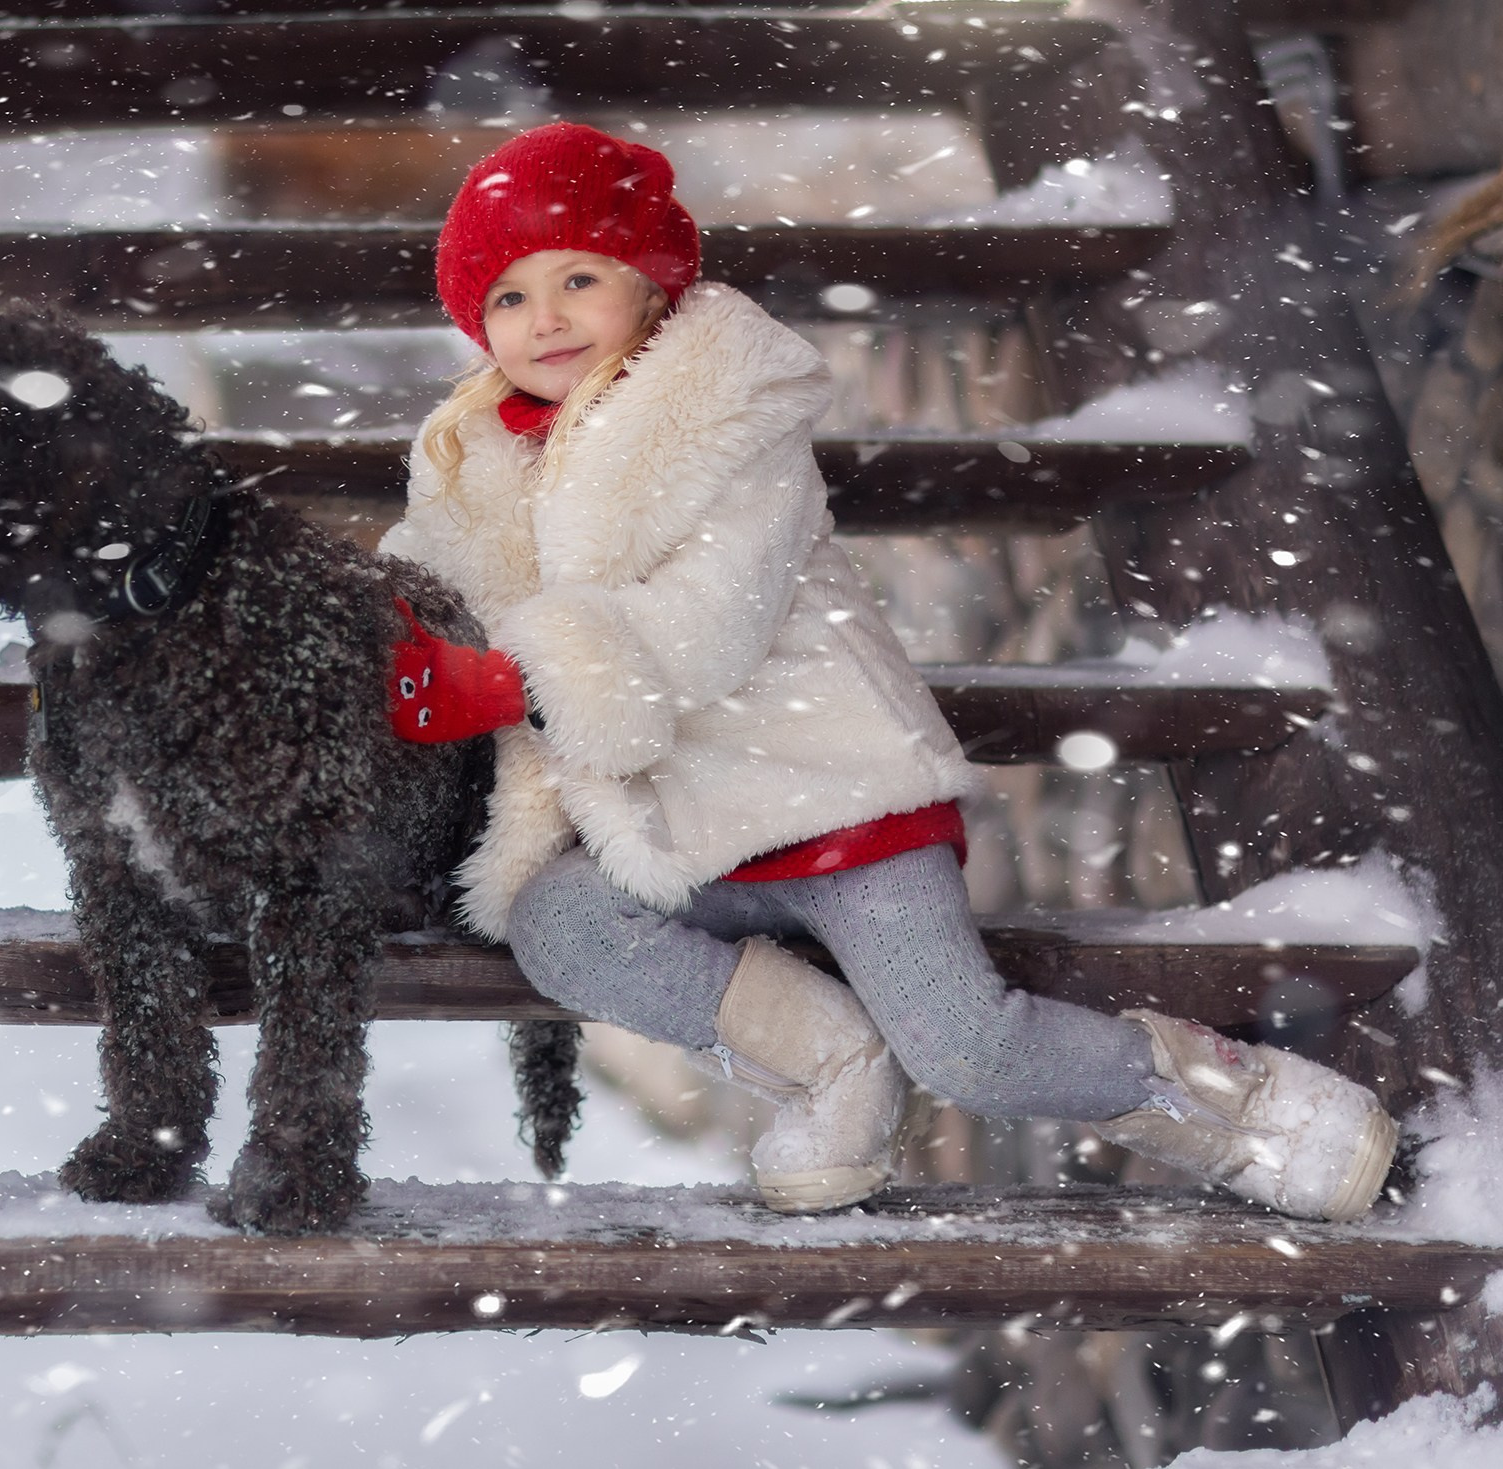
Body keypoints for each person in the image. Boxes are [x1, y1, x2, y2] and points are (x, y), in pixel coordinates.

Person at [377, 122, 1396, 1222]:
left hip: (836, 797)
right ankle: (827, 1057)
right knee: (558, 923)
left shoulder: (728, 422)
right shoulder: (477, 465)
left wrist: (508, 678)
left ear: (653, 287)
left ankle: (1230, 1103)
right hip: (675, 828)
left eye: (579, 278)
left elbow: (702, 626)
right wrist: (382, 640)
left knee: (970, 1050)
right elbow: (430, 594)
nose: (549, 319)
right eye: (511, 299)